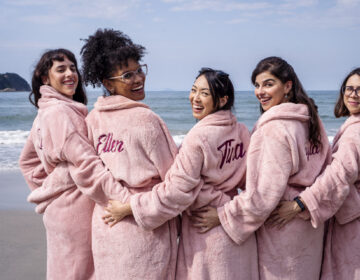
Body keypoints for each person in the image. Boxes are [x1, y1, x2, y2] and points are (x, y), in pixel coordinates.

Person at [105, 68, 259, 280]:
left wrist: (130, 206)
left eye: (204, 93)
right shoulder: (242, 131)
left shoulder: (197, 138)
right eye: (194, 90)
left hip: (205, 235)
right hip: (239, 235)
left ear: (222, 100)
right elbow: (253, 184)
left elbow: (176, 191)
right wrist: (228, 207)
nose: (195, 98)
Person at [190, 56, 331, 280]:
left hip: (280, 226)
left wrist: (223, 215)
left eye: (268, 84)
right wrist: (303, 204)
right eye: (257, 85)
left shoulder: (274, 128)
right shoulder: (310, 118)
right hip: (308, 226)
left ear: (287, 86)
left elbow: (264, 195)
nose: (260, 92)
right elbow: (328, 173)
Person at [267, 67, 360, 279]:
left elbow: (337, 178)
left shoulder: (355, 133)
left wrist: (300, 204)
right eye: (349, 88)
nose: (352, 94)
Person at [19, 48, 131, 280]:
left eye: (72, 68)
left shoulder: (48, 111)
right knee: (81, 273)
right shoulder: (60, 113)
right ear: (44, 77)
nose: (70, 74)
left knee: (66, 270)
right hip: (76, 210)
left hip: (60, 209)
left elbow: (27, 161)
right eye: (61, 69)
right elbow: (87, 165)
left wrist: (49, 192)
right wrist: (127, 203)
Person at [79, 28, 179, 280]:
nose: (138, 79)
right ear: (108, 83)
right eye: (127, 75)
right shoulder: (146, 120)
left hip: (106, 223)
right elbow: (175, 181)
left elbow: (86, 174)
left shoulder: (91, 120)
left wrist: (119, 201)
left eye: (139, 70)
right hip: (145, 230)